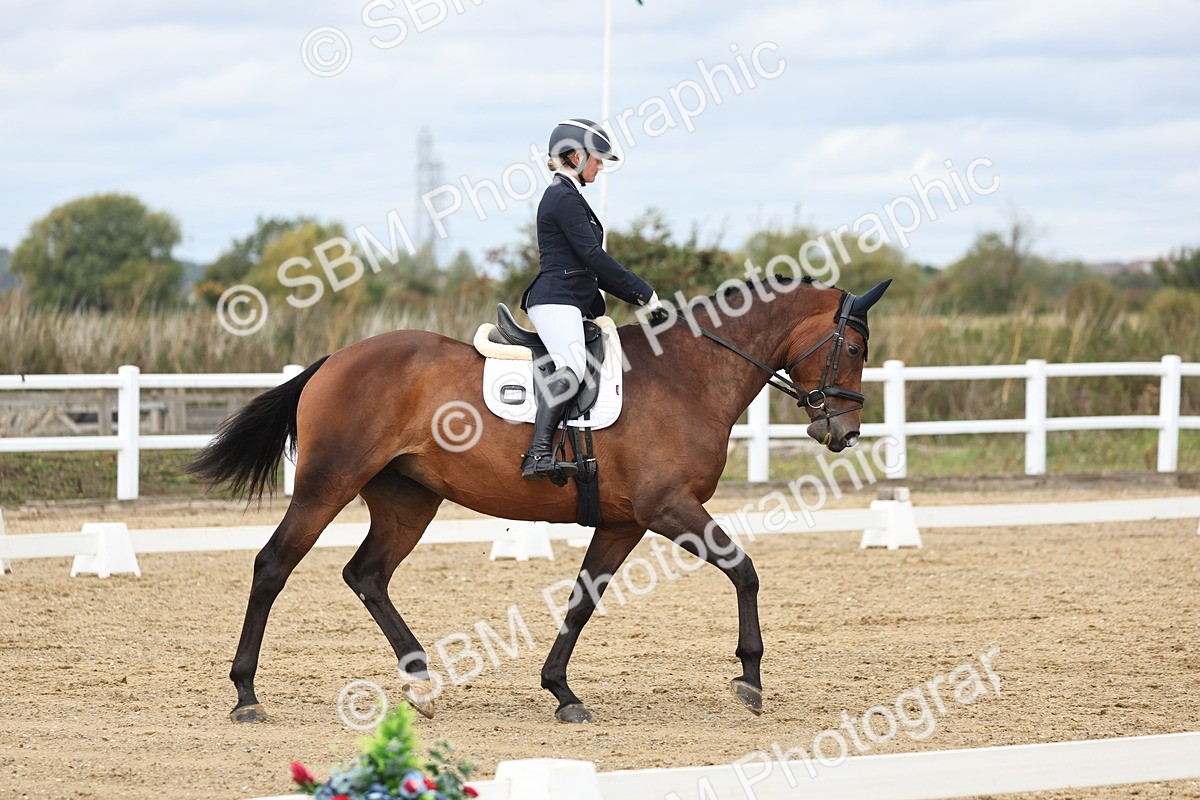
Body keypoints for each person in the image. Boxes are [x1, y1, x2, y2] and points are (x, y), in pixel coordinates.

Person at [518, 118, 663, 481]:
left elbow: (591, 265)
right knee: (572, 367)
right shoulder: (562, 197)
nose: (600, 165)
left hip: (568, 298)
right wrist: (644, 292)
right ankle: (537, 454)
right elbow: (594, 257)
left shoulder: (568, 195)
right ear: (576, 156)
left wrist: (638, 297)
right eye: (597, 158)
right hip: (556, 299)